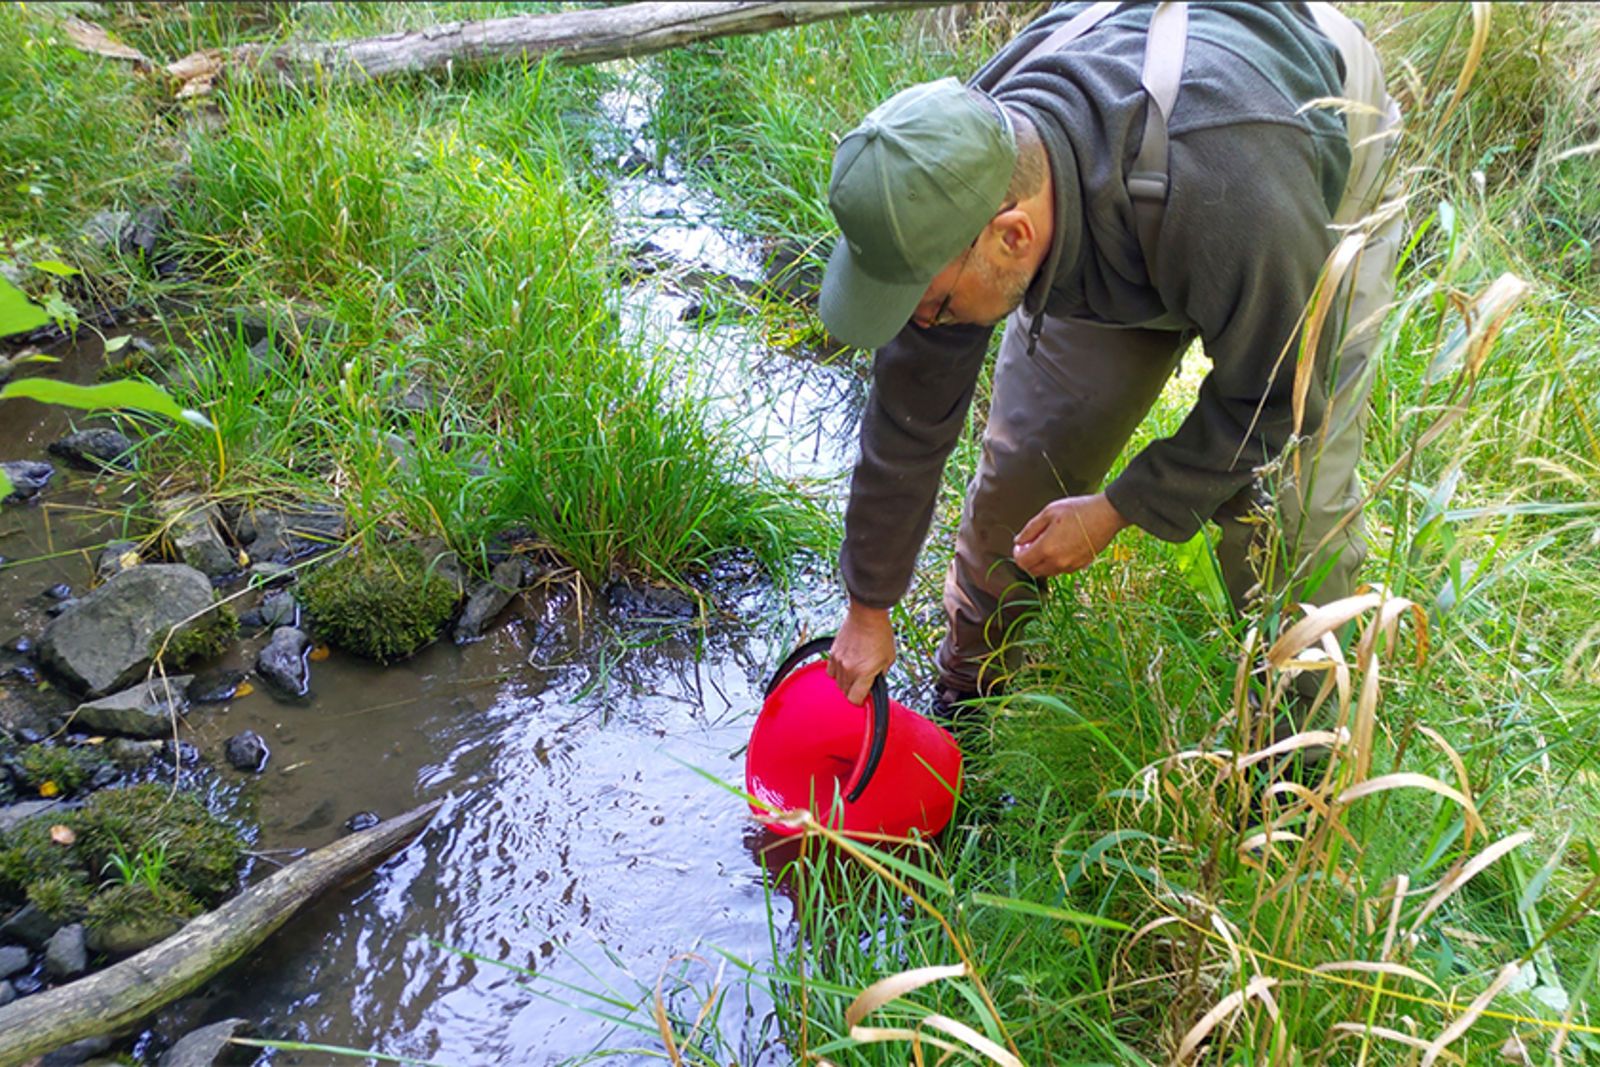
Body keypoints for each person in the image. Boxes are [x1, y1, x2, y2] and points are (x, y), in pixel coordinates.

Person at [817, 2, 1403, 719]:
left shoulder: (1239, 187)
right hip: (1144, 179)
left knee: (1286, 515)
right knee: (1028, 466)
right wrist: (869, 604)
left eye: (932, 306)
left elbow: (1281, 395)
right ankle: (971, 697)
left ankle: (1299, 760)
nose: (922, 324)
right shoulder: (947, 178)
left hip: (1299, 127)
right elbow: (910, 413)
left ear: (1012, 237)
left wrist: (1123, 507)